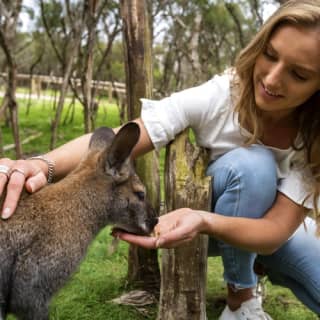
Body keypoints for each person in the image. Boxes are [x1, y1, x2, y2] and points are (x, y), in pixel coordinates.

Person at [0, 0, 320, 319]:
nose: (273, 79)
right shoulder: (224, 93)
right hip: (197, 222)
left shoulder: (315, 137)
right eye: (270, 55)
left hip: (265, 231)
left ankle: (254, 273)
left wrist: (206, 221)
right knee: (254, 166)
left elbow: (277, 230)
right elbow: (132, 133)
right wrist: (41, 164)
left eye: (299, 74)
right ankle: (242, 300)